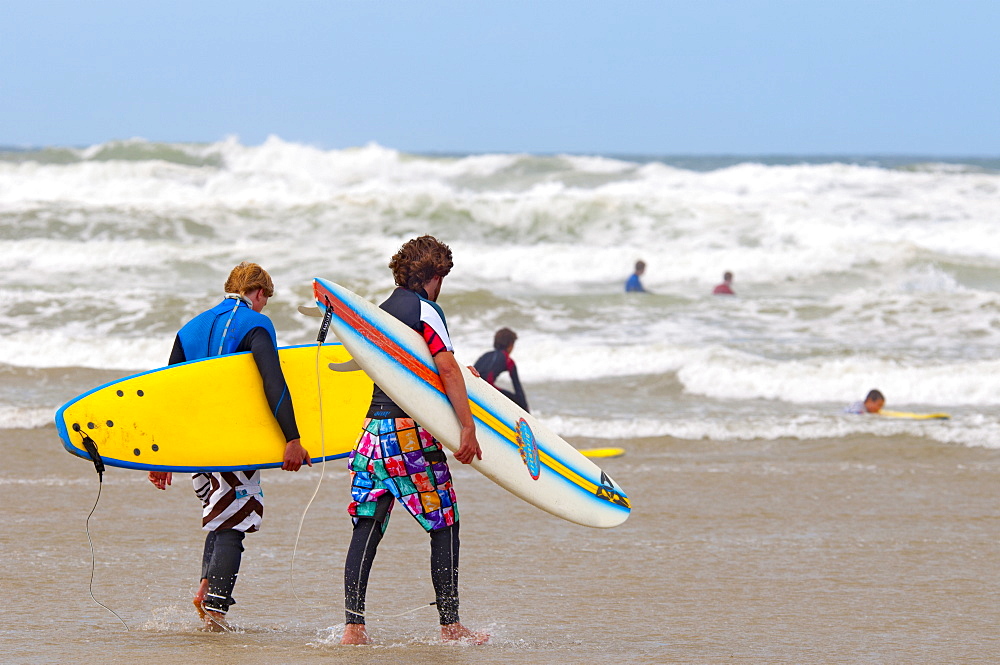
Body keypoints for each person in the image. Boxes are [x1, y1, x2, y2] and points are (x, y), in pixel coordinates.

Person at [341, 235, 488, 646]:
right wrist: (467, 426)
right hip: (410, 434)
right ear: (434, 275)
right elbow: (445, 369)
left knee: (367, 525)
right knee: (445, 523)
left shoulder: (381, 311)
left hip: (372, 435)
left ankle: (353, 627)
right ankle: (451, 626)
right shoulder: (427, 308)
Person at [147, 262, 311, 631]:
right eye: (265, 298)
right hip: (233, 440)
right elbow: (274, 382)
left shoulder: (190, 327)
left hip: (196, 448)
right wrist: (292, 439)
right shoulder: (254, 323)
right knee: (235, 523)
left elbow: (169, 395)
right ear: (259, 293)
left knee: (221, 518)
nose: (264, 305)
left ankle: (206, 589)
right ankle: (217, 617)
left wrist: (164, 457)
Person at [474, 328, 529, 412]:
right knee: (517, 399)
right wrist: (526, 410)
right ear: (510, 344)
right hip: (487, 391)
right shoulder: (508, 361)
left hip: (473, 388)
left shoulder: (486, 355)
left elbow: (473, 371)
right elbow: (518, 388)